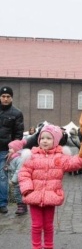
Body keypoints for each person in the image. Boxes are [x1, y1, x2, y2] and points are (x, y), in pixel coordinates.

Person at [18, 124, 82, 249]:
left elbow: (75, 162)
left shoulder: (60, 157)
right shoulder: (31, 156)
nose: (45, 141)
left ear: (56, 141)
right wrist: (27, 189)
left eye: (49, 138)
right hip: (34, 196)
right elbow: (24, 174)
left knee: (49, 226)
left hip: (51, 197)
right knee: (36, 225)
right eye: (42, 138)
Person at [0, 86, 24, 214]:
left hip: (5, 151)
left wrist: (13, 149)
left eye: (8, 96)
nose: (5, 99)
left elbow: (18, 134)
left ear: (11, 98)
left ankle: (2, 204)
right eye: (3, 96)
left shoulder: (17, 113)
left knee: (2, 178)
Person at [7, 140, 28, 215]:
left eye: (11, 148)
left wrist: (13, 180)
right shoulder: (12, 157)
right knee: (17, 193)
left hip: (19, 180)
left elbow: (18, 170)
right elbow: (12, 167)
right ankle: (22, 206)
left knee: (18, 193)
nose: (9, 150)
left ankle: (21, 207)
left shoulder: (19, 158)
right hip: (15, 178)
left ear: (16, 148)